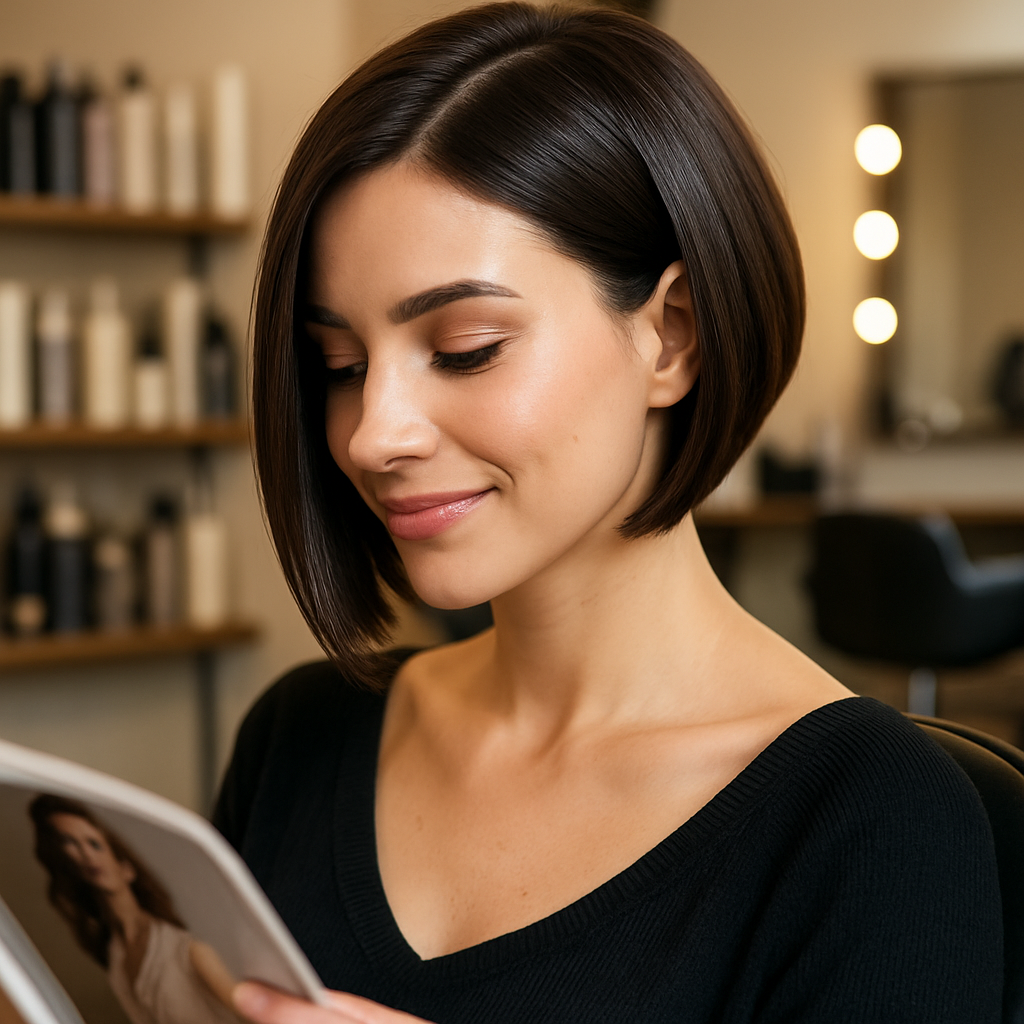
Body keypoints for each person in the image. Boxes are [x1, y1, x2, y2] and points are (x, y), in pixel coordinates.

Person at [216, 4, 1003, 1022]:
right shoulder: (303, 736)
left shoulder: (873, 822)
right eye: (342, 365)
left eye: (464, 347)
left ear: (671, 336)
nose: (373, 433)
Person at [29, 795, 241, 1024]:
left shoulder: (190, 950)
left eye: (94, 844)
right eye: (70, 842)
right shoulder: (116, 959)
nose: (87, 855)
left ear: (126, 869)